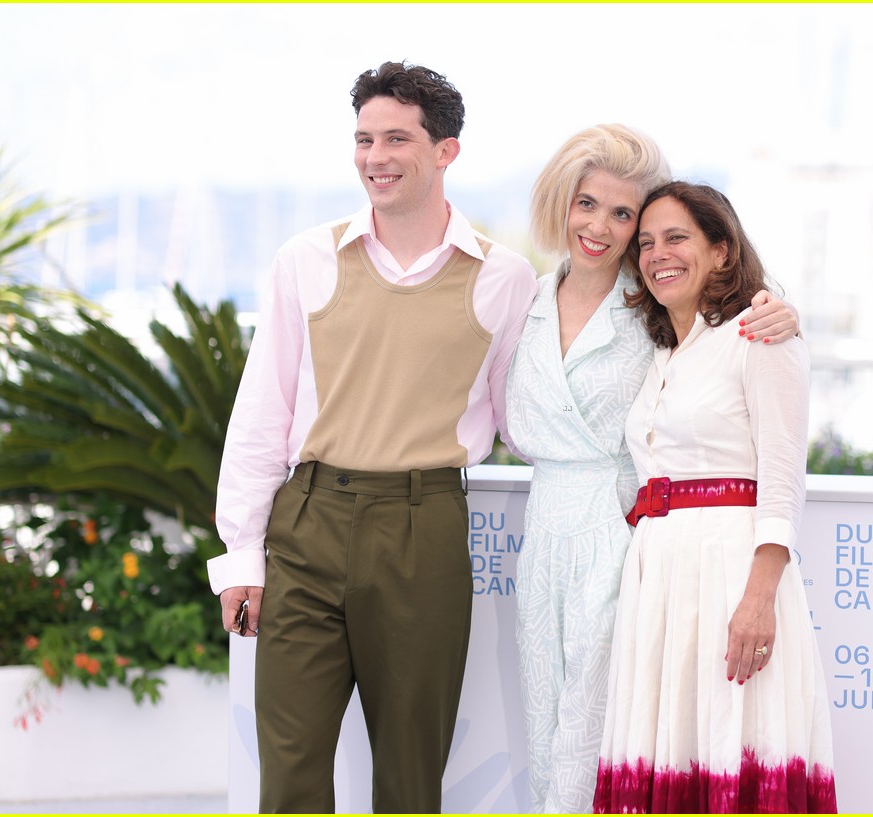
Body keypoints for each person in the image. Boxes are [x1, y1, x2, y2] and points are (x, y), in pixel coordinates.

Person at [207, 62, 537, 814]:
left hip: (424, 529)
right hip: (308, 523)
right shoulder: (307, 259)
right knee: (288, 773)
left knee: (410, 778)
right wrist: (242, 555)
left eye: (396, 138)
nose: (374, 156)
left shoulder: (503, 278)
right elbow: (262, 414)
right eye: (363, 139)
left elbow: (523, 421)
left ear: (445, 150)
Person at [506, 127, 801, 814]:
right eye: (586, 204)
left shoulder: (655, 305)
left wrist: (782, 312)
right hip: (543, 535)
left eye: (622, 215)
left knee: (597, 733)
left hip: (623, 530)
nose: (599, 227)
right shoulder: (520, 299)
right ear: (563, 203)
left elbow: (737, 316)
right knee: (545, 729)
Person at [592, 182, 836, 813]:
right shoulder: (660, 353)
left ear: (722, 251)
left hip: (731, 575)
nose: (657, 254)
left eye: (677, 238)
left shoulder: (759, 335)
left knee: (731, 746)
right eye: (645, 243)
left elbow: (784, 477)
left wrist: (759, 600)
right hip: (661, 580)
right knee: (670, 751)